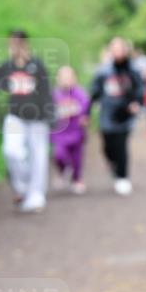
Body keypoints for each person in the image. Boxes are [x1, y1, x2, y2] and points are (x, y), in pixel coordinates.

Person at [0, 30, 54, 213]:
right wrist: (7, 84)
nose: (13, 47)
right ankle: (22, 188)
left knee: (38, 157)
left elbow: (47, 92)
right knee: (11, 152)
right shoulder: (8, 66)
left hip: (37, 119)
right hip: (15, 116)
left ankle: (36, 197)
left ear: (24, 44)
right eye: (11, 43)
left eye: (16, 43)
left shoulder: (36, 65)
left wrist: (49, 115)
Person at [89, 38, 144, 196]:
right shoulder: (103, 71)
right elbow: (94, 91)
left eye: (121, 49)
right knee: (108, 147)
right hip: (107, 115)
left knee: (121, 145)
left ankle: (123, 177)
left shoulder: (133, 69)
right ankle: (113, 164)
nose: (118, 52)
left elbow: (140, 88)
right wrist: (88, 109)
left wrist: (136, 103)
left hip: (125, 115)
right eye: (115, 49)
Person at [50, 66, 90, 195]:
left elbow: (85, 107)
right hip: (59, 133)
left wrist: (84, 117)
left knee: (77, 158)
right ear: (58, 79)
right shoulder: (54, 94)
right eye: (63, 77)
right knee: (59, 155)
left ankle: (77, 179)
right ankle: (62, 171)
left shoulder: (80, 93)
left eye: (69, 77)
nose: (66, 80)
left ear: (74, 78)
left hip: (76, 131)